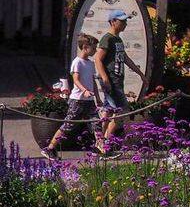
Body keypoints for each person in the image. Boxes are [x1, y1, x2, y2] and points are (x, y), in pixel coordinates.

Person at [43, 34, 105, 160]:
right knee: (68, 125)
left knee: (96, 124)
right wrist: (84, 90)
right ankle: (50, 148)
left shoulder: (90, 63)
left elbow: (93, 81)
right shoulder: (77, 62)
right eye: (93, 48)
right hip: (77, 100)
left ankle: (101, 149)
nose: (95, 50)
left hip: (89, 100)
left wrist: (97, 97)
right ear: (85, 47)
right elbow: (76, 80)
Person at [94, 9, 145, 153]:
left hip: (117, 81)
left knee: (108, 112)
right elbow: (98, 59)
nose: (125, 24)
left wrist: (140, 73)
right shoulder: (107, 39)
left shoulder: (118, 40)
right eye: (122, 21)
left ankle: (99, 141)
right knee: (121, 112)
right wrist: (105, 77)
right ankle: (105, 143)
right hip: (112, 81)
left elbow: (125, 58)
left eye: (125, 21)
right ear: (113, 22)